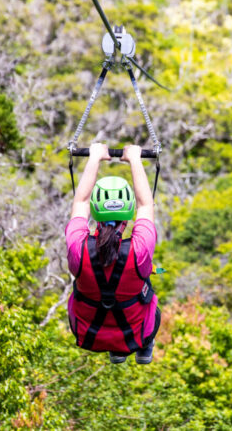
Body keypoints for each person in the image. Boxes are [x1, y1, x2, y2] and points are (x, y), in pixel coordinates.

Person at [65, 143, 160, 364]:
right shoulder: (139, 250)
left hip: (89, 331)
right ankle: (141, 345)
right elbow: (146, 205)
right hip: (134, 329)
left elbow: (80, 202)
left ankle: (117, 350)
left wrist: (94, 158)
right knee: (148, 293)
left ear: (96, 213)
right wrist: (135, 158)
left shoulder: (78, 247)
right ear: (127, 215)